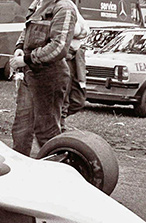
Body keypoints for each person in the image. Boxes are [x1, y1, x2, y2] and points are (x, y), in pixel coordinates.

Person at [10, 0, 76, 156]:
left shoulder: (64, 8)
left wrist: (26, 59)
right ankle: (19, 170)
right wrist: (19, 48)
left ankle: (57, 170)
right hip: (30, 74)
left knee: (47, 131)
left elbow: (59, 47)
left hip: (50, 77)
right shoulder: (38, 4)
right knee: (21, 128)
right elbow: (26, 30)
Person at [61, 0, 89, 131]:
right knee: (62, 99)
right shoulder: (59, 7)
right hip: (63, 57)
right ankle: (59, 126)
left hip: (75, 58)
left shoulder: (71, 6)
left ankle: (57, 119)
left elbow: (84, 30)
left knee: (78, 99)